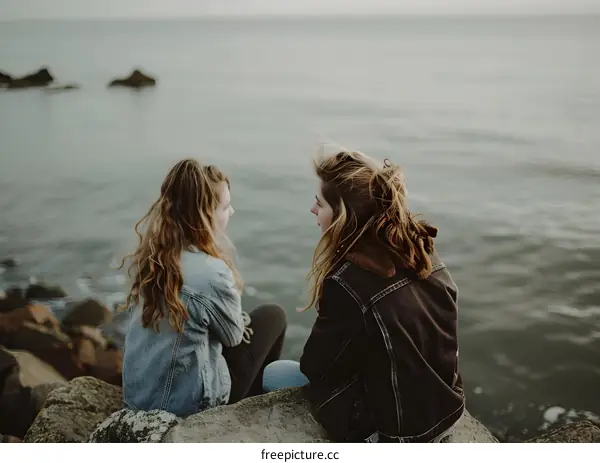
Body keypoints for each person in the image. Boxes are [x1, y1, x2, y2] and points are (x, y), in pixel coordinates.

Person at [263, 150, 465, 443]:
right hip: (450, 410)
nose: (312, 210)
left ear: (344, 215)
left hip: (399, 436)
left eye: (319, 203)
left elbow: (316, 366)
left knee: (275, 373)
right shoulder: (421, 249)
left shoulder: (346, 283)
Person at [120, 159, 287, 418]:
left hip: (138, 399)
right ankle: (252, 411)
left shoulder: (152, 258)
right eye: (226, 206)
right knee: (274, 316)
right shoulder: (212, 273)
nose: (231, 212)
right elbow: (233, 336)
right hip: (185, 407)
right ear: (205, 214)